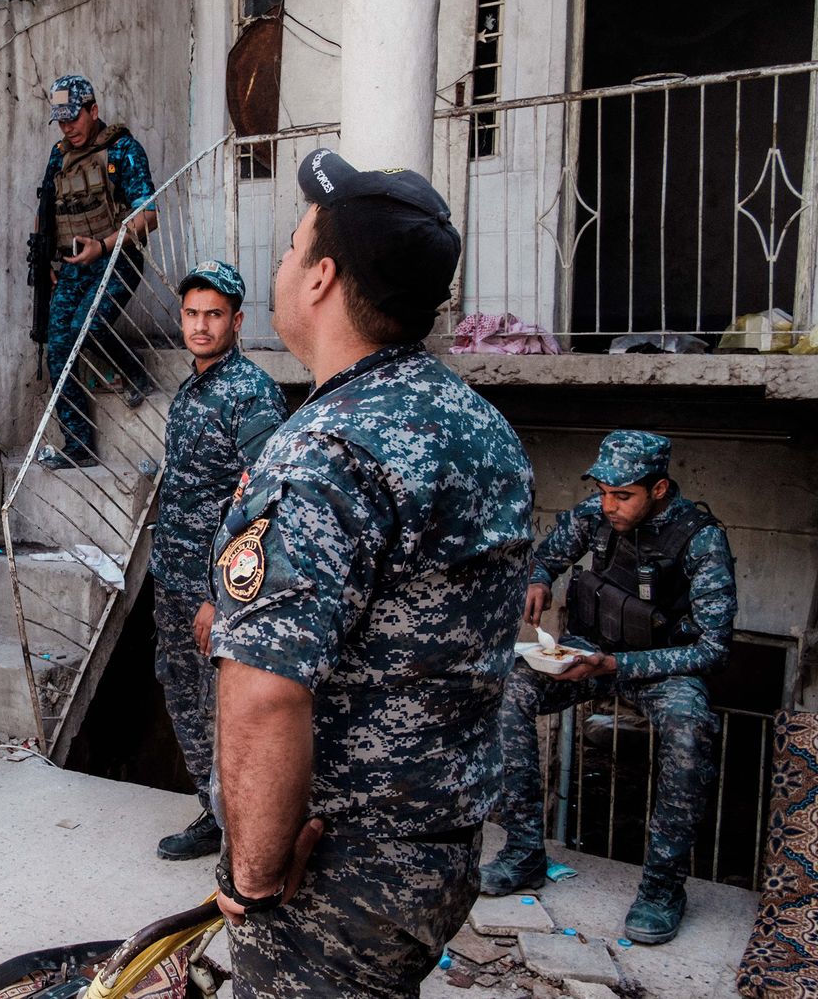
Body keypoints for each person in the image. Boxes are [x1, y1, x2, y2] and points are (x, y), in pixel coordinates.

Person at [208, 149, 535, 997]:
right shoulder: (482, 426)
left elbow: (265, 692)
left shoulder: (321, 453)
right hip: (441, 854)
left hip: (337, 876)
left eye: (288, 249)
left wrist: (252, 874)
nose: (278, 266)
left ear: (320, 278)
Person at [481, 429, 736, 945]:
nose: (609, 505)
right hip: (587, 651)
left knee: (690, 727)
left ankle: (663, 887)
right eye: (603, 491)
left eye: (623, 495)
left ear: (659, 489)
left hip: (662, 667)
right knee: (509, 689)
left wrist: (615, 666)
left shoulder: (700, 538)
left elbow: (714, 648)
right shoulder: (594, 515)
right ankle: (525, 850)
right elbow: (545, 555)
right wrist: (538, 577)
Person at [151, 259, 286, 861]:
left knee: (225, 710)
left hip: (217, 591)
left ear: (237, 321)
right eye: (191, 314)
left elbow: (262, 503)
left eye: (213, 315)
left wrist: (219, 596)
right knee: (182, 693)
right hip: (172, 580)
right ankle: (216, 813)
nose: (200, 325)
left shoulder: (252, 393)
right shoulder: (194, 387)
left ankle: (244, 840)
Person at [33, 75, 158, 469]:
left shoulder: (123, 150)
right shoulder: (59, 154)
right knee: (58, 351)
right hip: (73, 265)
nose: (68, 128)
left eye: (74, 118)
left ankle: (134, 371)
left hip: (117, 259)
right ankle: (79, 445)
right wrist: (46, 264)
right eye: (61, 121)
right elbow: (47, 207)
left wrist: (103, 246)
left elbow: (149, 215)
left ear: (94, 111)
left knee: (85, 327)